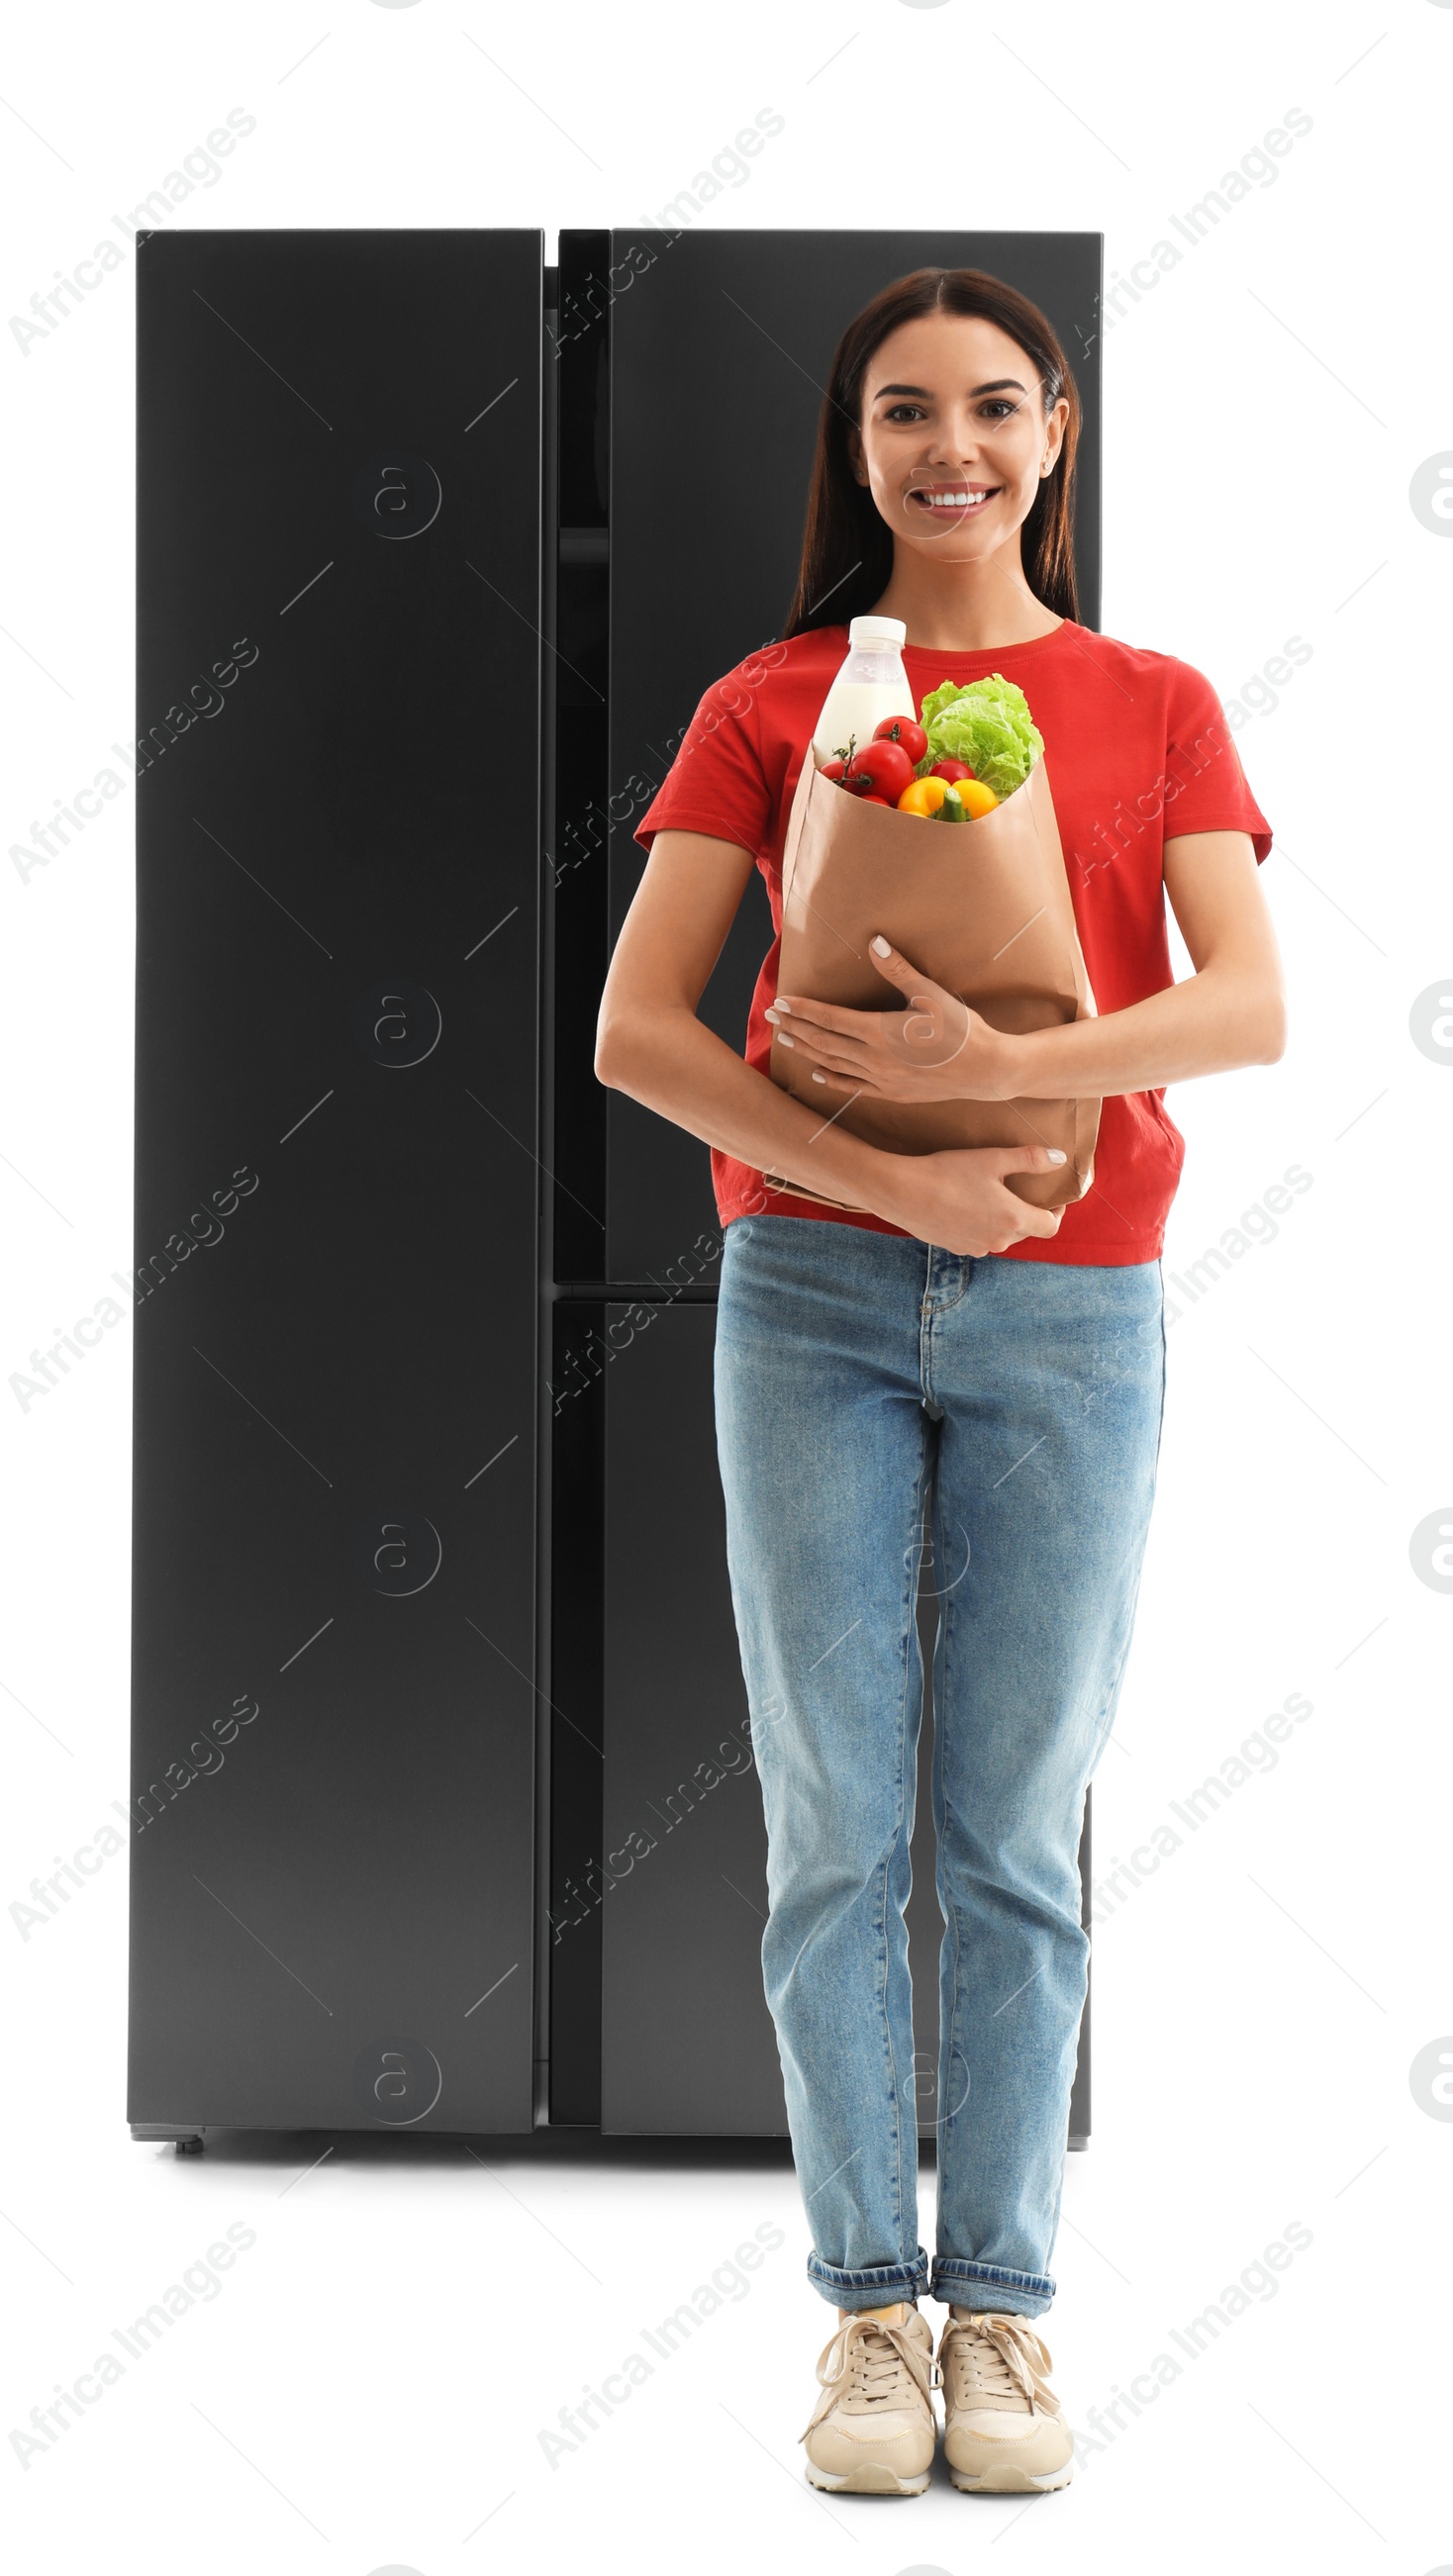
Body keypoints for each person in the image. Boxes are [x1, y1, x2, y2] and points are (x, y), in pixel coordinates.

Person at [594, 266, 1283, 2499]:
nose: (949, 448)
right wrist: (875, 1187)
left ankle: (1000, 2323)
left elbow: (1241, 1003)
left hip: (1075, 1306)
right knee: (825, 1831)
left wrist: (1010, 1075)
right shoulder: (766, 697)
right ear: (857, 446)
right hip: (803, 1298)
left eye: (992, 406)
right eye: (905, 412)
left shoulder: (1153, 700)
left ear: (1055, 431)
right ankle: (858, 2327)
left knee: (1007, 1835)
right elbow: (642, 1031)